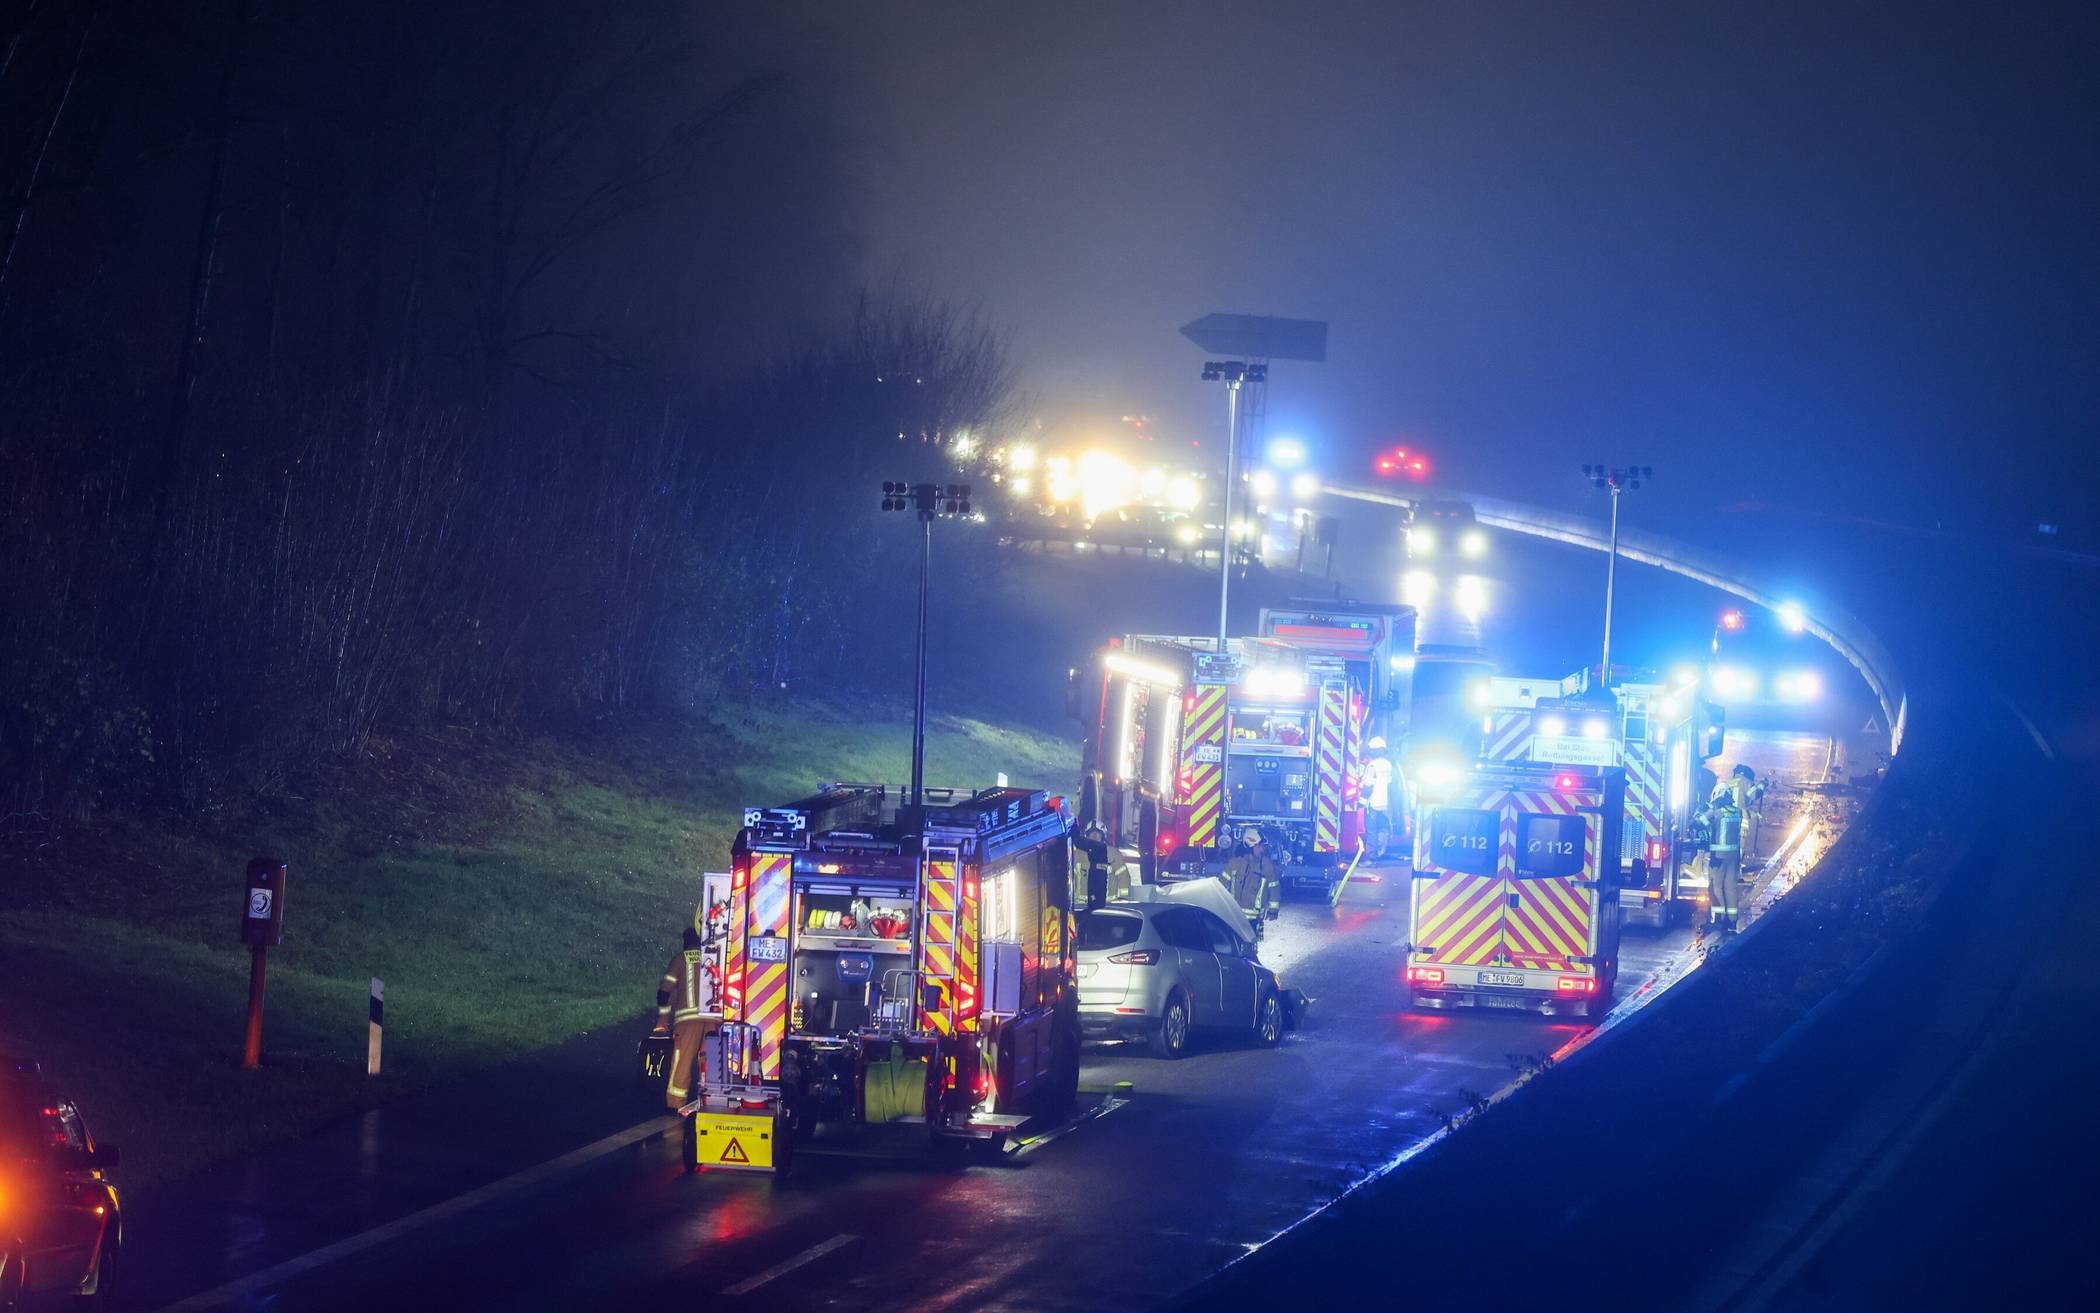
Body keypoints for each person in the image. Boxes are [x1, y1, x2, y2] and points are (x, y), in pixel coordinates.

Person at [654, 926, 716, 1113]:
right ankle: (712, 1100)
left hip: (687, 1021)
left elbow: (664, 992)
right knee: (711, 1061)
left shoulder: (680, 960)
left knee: (682, 1061)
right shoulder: (712, 959)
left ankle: (675, 1104)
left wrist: (662, 1019)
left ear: (685, 942)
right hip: (713, 1020)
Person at [1221, 826, 1281, 928]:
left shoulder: (1266, 865)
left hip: (1255, 918)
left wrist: (1273, 911)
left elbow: (1274, 889)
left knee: (1251, 943)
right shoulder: (1235, 863)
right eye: (1259, 846)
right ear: (1249, 846)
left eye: (1263, 846)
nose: (1262, 849)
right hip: (1234, 916)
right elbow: (1221, 886)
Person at [1362, 736, 1396, 858]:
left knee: (1371, 831)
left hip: (1373, 803)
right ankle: (1380, 852)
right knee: (1381, 829)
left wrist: (1361, 801)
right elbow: (1389, 783)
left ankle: (1371, 857)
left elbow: (1367, 785)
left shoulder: (1372, 766)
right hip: (1384, 803)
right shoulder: (1388, 765)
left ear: (1372, 751)